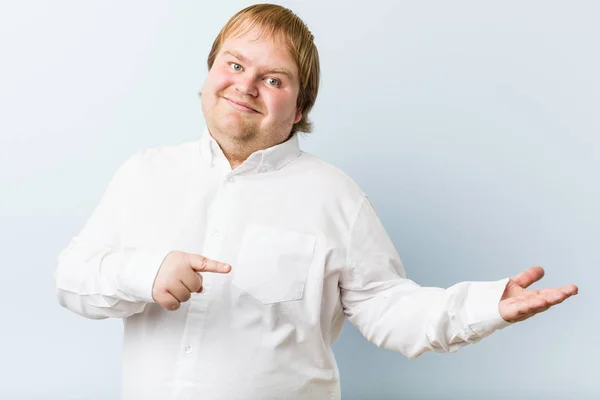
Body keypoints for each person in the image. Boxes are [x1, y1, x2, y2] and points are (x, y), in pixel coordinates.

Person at [54, 4, 578, 400]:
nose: (247, 86)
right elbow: (73, 278)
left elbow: (389, 309)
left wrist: (487, 305)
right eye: (234, 65)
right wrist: (145, 273)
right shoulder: (144, 173)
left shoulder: (336, 197)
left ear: (300, 105)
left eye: (273, 79)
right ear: (210, 71)